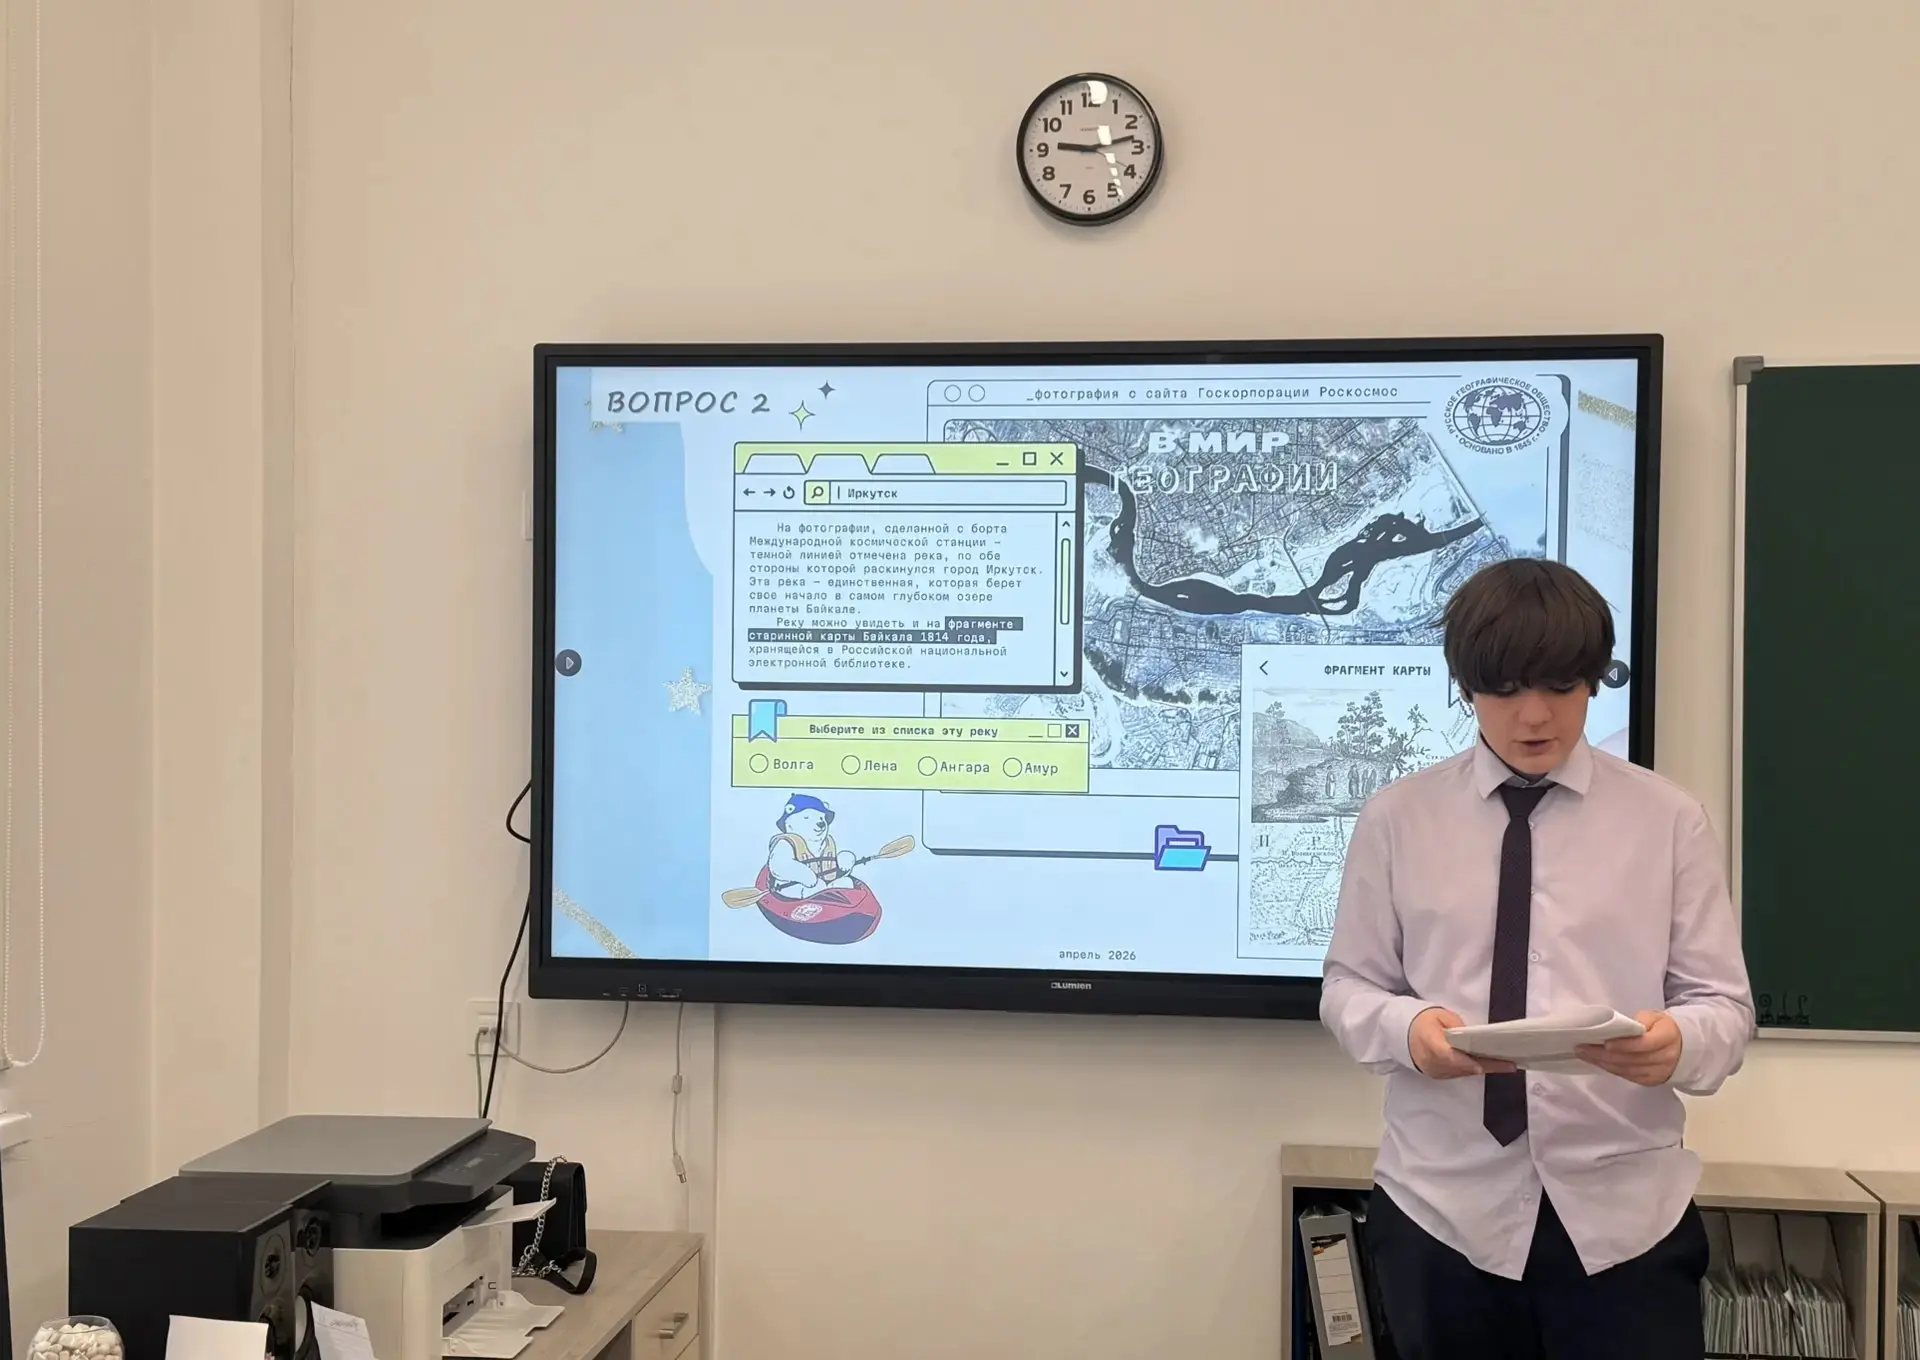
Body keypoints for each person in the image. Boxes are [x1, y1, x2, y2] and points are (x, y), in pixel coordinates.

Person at [1320, 558, 1754, 1360]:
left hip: (1626, 1221)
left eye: (1560, 686)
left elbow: (1724, 1008)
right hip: (1442, 1213)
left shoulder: (1669, 821)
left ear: (1595, 680)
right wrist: (1410, 1031)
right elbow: (1348, 987)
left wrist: (1678, 1044)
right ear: (1464, 689)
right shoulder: (1397, 819)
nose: (1533, 716)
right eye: (1503, 689)